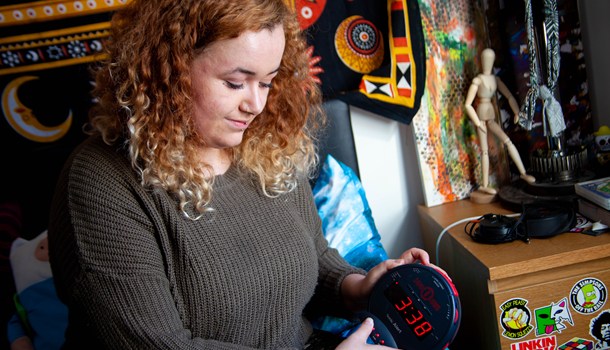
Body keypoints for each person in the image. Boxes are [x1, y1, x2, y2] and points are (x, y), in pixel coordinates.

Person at [47, 0, 432, 349]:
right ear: (169, 69)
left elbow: (312, 258)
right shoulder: (100, 182)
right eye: (235, 82)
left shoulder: (266, 145)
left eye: (267, 82)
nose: (256, 104)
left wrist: (357, 287)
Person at [464, 48, 535, 197]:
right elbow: (467, 104)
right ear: (482, 61)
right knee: (484, 151)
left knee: (507, 141)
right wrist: (477, 122)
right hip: (481, 119)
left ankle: (523, 173)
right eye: (486, 59)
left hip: (491, 117)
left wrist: (516, 112)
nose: (488, 62)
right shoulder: (478, 80)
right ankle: (484, 185)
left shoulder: (495, 79)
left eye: (490, 59)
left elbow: (509, 96)